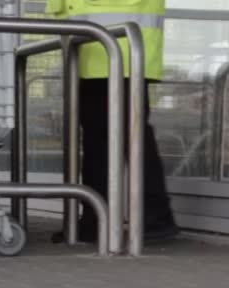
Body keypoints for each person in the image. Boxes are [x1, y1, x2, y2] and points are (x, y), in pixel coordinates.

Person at [47, 0, 178, 242]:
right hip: (96, 49)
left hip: (121, 48)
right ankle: (98, 216)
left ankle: (154, 216)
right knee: (100, 139)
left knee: (130, 134)